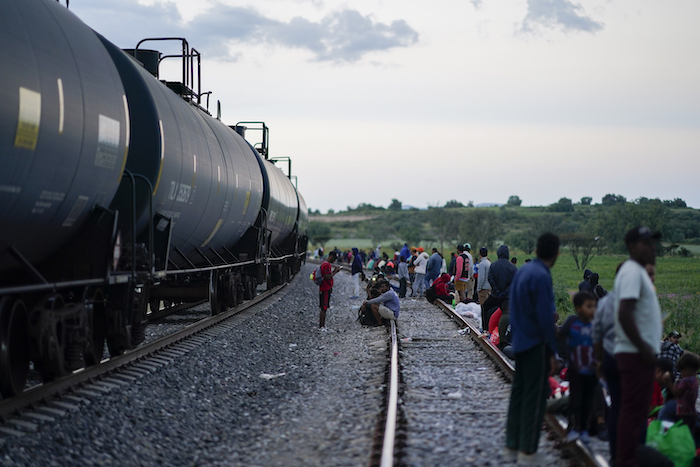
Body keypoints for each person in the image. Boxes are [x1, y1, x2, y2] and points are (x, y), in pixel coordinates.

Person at [504, 233, 560, 465]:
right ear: (556, 254)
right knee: (535, 398)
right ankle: (528, 451)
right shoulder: (542, 276)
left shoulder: (524, 272)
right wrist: (553, 352)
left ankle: (512, 444)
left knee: (519, 393)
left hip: (520, 340)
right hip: (536, 343)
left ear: (536, 250)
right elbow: (546, 318)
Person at [614, 226, 662, 467]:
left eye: (653, 243)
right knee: (633, 410)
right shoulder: (633, 271)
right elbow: (624, 313)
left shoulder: (637, 271)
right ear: (633, 247)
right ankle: (627, 460)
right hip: (635, 354)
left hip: (636, 353)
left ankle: (628, 458)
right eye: (647, 244)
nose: (653, 248)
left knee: (635, 409)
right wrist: (644, 348)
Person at [559, 291, 598, 444]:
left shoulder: (596, 324)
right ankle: (572, 428)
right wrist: (565, 354)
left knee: (588, 400)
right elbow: (560, 336)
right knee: (576, 398)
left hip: (592, 369)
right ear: (578, 308)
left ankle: (584, 429)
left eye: (594, 306)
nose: (593, 310)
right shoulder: (572, 322)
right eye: (589, 306)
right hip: (575, 368)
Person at [662, 352, 700, 431]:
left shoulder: (686, 381)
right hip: (692, 413)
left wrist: (669, 381)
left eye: (682, 371)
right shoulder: (695, 380)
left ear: (687, 369)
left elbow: (676, 393)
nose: (682, 374)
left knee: (681, 434)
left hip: (683, 413)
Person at [484, 244, 517, 315]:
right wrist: (505, 293)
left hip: (495, 296)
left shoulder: (493, 265)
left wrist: (497, 292)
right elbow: (514, 283)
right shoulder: (513, 267)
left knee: (485, 307)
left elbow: (490, 279)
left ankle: (485, 325)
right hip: (508, 297)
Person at [318, 251, 341, 330]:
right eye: (334, 259)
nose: (334, 261)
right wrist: (335, 271)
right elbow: (328, 277)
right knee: (324, 308)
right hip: (326, 288)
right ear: (331, 256)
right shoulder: (327, 265)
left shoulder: (324, 263)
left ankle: (322, 326)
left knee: (323, 307)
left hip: (323, 288)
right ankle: (322, 327)